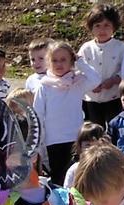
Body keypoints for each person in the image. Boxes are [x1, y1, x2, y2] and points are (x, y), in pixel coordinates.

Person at [33, 41, 101, 179]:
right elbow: (37, 114)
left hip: (75, 138)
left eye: (63, 60)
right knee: (59, 177)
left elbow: (96, 79)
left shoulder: (77, 82)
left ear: (71, 61)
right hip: (54, 140)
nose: (59, 64)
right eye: (54, 60)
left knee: (77, 175)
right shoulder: (44, 86)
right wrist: (39, 142)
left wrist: (80, 62)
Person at [80, 4, 124, 128]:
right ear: (91, 28)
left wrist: (115, 79)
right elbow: (79, 70)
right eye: (97, 26)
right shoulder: (86, 48)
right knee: (94, 130)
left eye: (107, 25)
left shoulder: (121, 47)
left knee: (114, 128)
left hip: (114, 97)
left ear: (114, 27)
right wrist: (89, 85)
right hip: (91, 98)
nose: (102, 30)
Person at [63, 122, 109, 189]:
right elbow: (67, 193)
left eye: (96, 145)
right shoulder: (74, 170)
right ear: (80, 147)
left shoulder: (109, 168)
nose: (92, 149)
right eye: (87, 145)